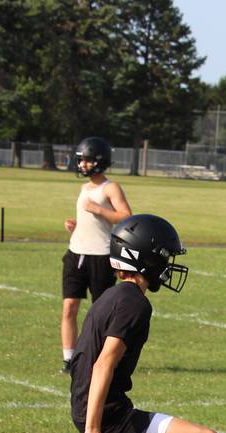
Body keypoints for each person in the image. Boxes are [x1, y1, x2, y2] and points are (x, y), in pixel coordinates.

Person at [69, 214, 221, 433]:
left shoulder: (111, 295)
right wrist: (93, 429)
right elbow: (104, 363)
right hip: (107, 413)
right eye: (163, 258)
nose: (167, 266)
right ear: (144, 259)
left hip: (96, 407)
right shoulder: (135, 303)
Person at [61, 136, 133, 373]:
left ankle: (99, 356)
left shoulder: (110, 187)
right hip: (76, 252)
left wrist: (98, 210)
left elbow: (126, 217)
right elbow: (89, 220)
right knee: (69, 306)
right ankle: (69, 359)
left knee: (100, 311)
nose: (82, 165)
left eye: (87, 161)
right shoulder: (84, 188)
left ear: (100, 161)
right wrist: (75, 226)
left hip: (101, 256)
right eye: (81, 161)